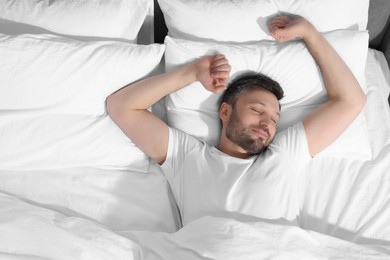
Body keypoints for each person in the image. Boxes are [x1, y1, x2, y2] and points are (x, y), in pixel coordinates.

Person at [106, 16, 366, 226]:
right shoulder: (187, 157)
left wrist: (311, 34)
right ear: (225, 112)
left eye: (275, 118)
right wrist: (192, 73)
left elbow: (351, 100)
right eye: (257, 109)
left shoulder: (285, 155)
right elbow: (122, 106)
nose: (268, 123)